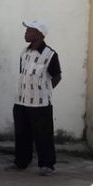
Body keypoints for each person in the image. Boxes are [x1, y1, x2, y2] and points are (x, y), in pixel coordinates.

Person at [7, 21, 61, 176]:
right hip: (21, 100)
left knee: (43, 134)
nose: (26, 34)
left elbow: (57, 77)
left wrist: (44, 91)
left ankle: (47, 165)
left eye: (29, 31)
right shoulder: (24, 53)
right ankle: (21, 162)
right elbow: (23, 74)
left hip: (41, 103)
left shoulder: (50, 55)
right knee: (22, 133)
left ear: (39, 35)